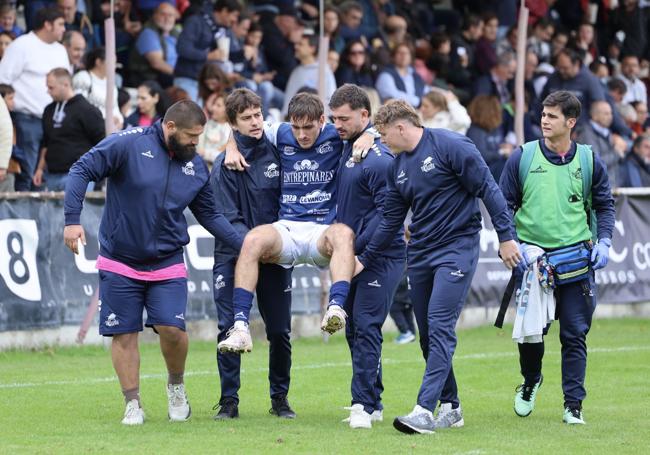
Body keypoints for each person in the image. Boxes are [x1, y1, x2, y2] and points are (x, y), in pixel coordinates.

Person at [63, 100, 244, 426]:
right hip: (119, 259)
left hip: (167, 260)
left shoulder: (195, 166)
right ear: (170, 127)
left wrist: (243, 246)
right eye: (191, 136)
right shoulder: (127, 144)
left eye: (199, 136)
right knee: (125, 334)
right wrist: (71, 220)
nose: (195, 143)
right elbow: (81, 170)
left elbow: (210, 215)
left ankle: (176, 385)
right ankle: (133, 403)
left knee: (173, 330)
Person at [360, 99, 520, 435]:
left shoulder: (451, 145)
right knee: (427, 336)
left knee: (440, 325)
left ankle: (423, 409)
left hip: (457, 249)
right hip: (419, 253)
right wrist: (364, 257)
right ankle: (452, 406)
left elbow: (489, 189)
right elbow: (391, 219)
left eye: (384, 133)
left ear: (401, 127)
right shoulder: (397, 165)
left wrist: (507, 237)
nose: (382, 140)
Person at [217, 92, 376, 354]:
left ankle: (335, 309)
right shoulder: (278, 132)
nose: (301, 134)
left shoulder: (337, 134)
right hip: (287, 228)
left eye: (308, 127)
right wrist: (231, 146)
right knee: (252, 239)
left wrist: (370, 135)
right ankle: (241, 327)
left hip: (321, 230)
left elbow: (375, 125)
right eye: (296, 127)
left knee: (343, 235)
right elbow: (241, 127)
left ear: (322, 120)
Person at [499, 90, 615, 425]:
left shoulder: (589, 160)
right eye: (543, 115)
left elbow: (605, 205)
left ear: (570, 122)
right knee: (532, 333)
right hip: (533, 262)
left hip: (576, 262)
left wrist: (604, 241)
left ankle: (573, 405)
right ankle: (531, 380)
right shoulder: (523, 156)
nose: (544, 121)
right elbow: (504, 204)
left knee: (574, 334)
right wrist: (509, 241)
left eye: (552, 116)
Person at [209, 88, 294, 420]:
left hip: (274, 257)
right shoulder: (224, 164)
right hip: (232, 255)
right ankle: (229, 401)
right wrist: (256, 247)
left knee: (279, 331)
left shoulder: (279, 151)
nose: (256, 121)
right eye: (246, 117)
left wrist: (273, 246)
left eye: (258, 114)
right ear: (233, 123)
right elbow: (227, 219)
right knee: (229, 327)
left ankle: (280, 399)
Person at [329, 84, 406, 429]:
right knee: (353, 329)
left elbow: (389, 217)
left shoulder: (379, 160)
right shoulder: (347, 148)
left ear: (364, 115)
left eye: (344, 118)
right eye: (334, 118)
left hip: (382, 257)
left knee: (366, 325)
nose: (337, 125)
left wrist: (365, 256)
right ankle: (372, 402)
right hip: (353, 256)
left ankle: (361, 404)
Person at [0, 6, 69, 190]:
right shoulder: (21, 45)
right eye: (61, 24)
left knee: (44, 173)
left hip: (54, 120)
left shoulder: (61, 50)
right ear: (47, 24)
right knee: (27, 170)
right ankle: (24, 214)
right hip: (26, 118)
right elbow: (3, 79)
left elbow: (66, 83)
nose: (64, 29)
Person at [33, 68, 104, 191]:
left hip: (79, 175)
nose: (48, 91)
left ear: (65, 85)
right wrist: (40, 169)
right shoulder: (48, 110)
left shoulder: (87, 110)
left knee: (76, 210)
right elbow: (46, 142)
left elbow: (102, 143)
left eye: (51, 87)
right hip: (52, 175)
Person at [173, 0, 242, 101]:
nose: (235, 20)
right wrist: (208, 55)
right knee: (193, 115)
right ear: (224, 11)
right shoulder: (196, 21)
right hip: (188, 79)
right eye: (234, 15)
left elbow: (227, 57)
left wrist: (226, 75)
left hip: (208, 84)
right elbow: (182, 48)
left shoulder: (223, 30)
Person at [282, 33, 336, 118]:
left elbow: (331, 100)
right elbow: (288, 102)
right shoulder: (296, 72)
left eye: (301, 44)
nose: (296, 47)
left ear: (312, 49)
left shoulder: (324, 71)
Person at [128, 1, 179, 88]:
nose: (167, 18)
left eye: (170, 15)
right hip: (152, 80)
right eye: (163, 14)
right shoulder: (148, 33)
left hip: (170, 76)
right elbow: (157, 63)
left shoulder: (174, 31)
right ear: (155, 15)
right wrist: (181, 74)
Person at [73, 47, 124, 129]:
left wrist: (119, 121)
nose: (114, 67)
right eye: (111, 62)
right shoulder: (83, 77)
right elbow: (79, 108)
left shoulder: (111, 84)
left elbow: (116, 109)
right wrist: (104, 121)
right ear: (98, 62)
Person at [375, 42, 429, 108]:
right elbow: (392, 95)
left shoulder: (415, 75)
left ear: (411, 57)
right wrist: (418, 101)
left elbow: (426, 90)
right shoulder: (385, 75)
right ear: (393, 56)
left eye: (406, 53)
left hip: (419, 112)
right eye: (400, 53)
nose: (404, 56)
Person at [197, 92, 230, 164]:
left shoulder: (231, 131)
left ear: (227, 110)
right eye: (214, 104)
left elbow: (223, 157)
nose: (213, 108)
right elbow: (198, 150)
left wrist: (206, 153)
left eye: (218, 106)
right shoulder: (206, 125)